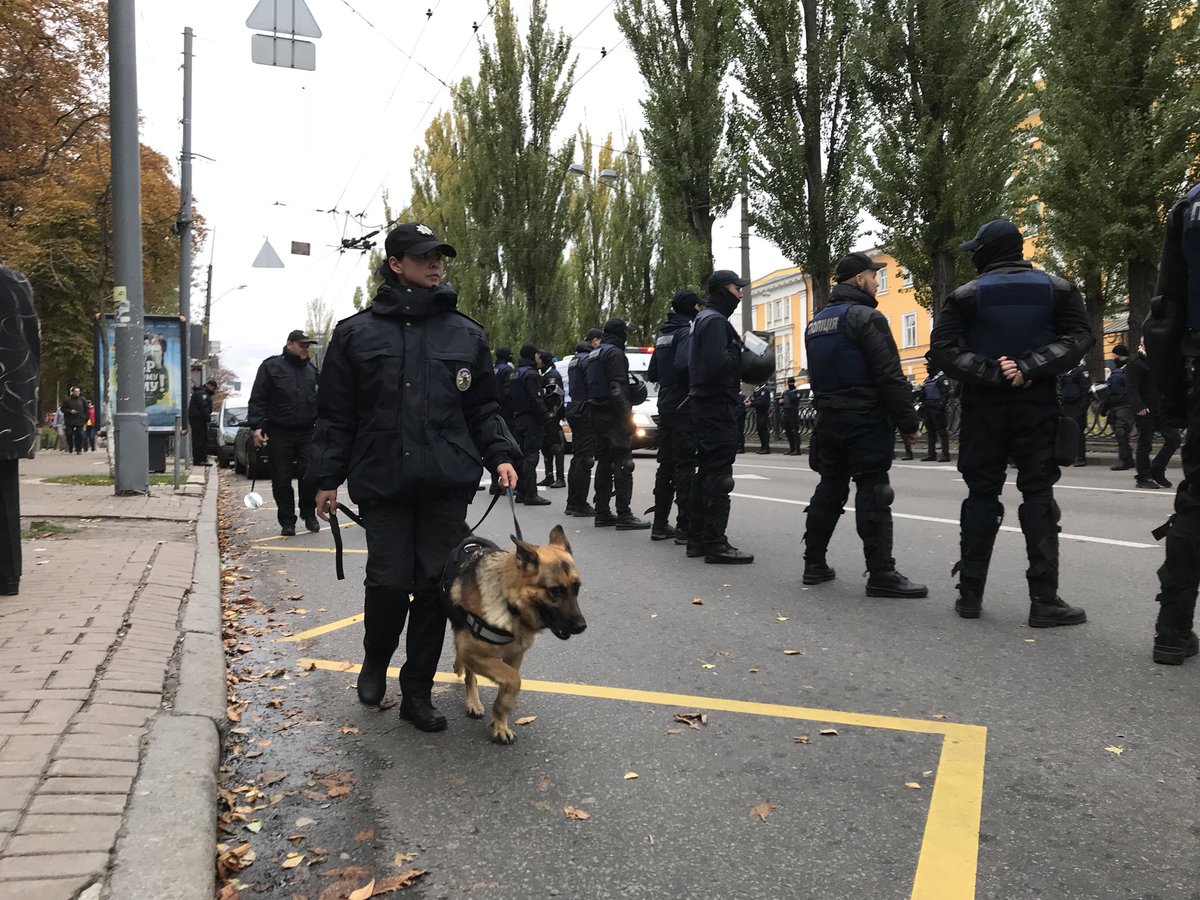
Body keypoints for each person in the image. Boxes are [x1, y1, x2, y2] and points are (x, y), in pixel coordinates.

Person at [308, 221, 519, 728]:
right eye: (422, 256)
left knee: (433, 589)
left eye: (439, 256)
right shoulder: (356, 333)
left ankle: (417, 691)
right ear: (395, 264)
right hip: (382, 480)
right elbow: (336, 415)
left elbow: (484, 408)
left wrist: (501, 455)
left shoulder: (466, 333)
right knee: (386, 581)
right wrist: (325, 478)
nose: (435, 264)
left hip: (446, 483)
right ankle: (376, 659)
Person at [930, 219, 1093, 626]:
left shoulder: (964, 296)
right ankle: (1044, 600)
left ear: (990, 251)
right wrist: (1028, 369)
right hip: (1036, 403)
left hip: (983, 407)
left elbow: (943, 351)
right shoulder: (1059, 289)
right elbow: (1079, 339)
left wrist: (992, 372)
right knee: (1038, 494)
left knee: (981, 494)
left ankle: (970, 595)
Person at [802, 252, 926, 597]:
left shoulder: (816, 323)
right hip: (864, 418)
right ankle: (881, 573)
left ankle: (814, 563)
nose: (876, 281)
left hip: (828, 419)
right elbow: (888, 374)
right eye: (874, 276)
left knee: (830, 489)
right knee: (874, 492)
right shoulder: (866, 317)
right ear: (859, 279)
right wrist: (908, 422)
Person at [1141, 180, 1200, 665]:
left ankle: (1172, 631)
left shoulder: (1190, 204)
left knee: (1197, 506)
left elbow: (1164, 317)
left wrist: (1177, 401)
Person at [688, 270, 755, 564]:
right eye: (735, 288)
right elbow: (718, 365)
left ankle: (698, 539)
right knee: (719, 477)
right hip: (716, 407)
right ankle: (715, 542)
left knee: (706, 473)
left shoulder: (704, 319)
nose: (740, 293)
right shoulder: (715, 321)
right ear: (721, 290)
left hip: (706, 406)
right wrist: (740, 352)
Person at [248, 329, 320, 536]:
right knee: (281, 479)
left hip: (307, 431)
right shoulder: (271, 367)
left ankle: (309, 514)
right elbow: (258, 398)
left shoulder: (312, 371)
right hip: (280, 431)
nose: (306, 348)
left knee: (310, 476)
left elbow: (321, 401)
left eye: (308, 345)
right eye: (302, 344)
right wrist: (257, 426)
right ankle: (287, 521)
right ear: (289, 344)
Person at [586, 317, 651, 530]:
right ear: (619, 333)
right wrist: (627, 420)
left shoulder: (594, 353)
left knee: (604, 463)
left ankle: (602, 512)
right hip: (612, 414)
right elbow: (616, 390)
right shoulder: (615, 353)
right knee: (624, 462)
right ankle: (624, 514)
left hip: (596, 413)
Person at [647, 289, 701, 543]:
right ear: (692, 307)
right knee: (686, 465)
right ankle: (685, 526)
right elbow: (684, 364)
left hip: (666, 404)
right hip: (684, 404)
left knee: (666, 464)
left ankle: (660, 524)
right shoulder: (685, 331)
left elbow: (653, 373)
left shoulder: (663, 335)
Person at [0, 266, 39, 596]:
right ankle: (8, 577)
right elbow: (32, 347)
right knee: (5, 493)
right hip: (7, 405)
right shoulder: (15, 281)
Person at [1125, 340, 1179, 489]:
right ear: (1143, 344)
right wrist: (1139, 406)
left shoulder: (1158, 360)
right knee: (1145, 443)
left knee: (1174, 439)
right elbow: (1131, 388)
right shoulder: (1135, 362)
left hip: (1161, 409)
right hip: (1145, 410)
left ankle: (1157, 469)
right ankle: (1143, 477)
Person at [564, 329, 602, 517]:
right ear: (595, 340)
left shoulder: (574, 359)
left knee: (578, 457)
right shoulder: (588, 359)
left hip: (574, 408)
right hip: (585, 409)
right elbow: (593, 383)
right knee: (586, 458)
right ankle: (580, 503)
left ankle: (572, 502)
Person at [511, 343, 551, 506]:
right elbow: (536, 399)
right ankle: (531, 494)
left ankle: (521, 492)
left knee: (520, 456)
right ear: (533, 355)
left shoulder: (514, 373)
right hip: (531, 419)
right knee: (531, 456)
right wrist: (546, 420)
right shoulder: (532, 374)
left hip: (517, 418)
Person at [537, 349, 566, 490]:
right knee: (545, 447)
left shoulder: (552, 375)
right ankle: (549, 476)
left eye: (539, 358)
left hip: (552, 417)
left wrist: (552, 414)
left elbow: (556, 397)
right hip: (545, 417)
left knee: (556, 446)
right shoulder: (543, 374)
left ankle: (560, 477)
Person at [1105, 344, 1134, 471]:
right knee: (1121, 433)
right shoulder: (1120, 369)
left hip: (1124, 405)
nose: (1112, 356)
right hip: (1118, 405)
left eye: (1114, 354)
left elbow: (1117, 390)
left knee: (1121, 431)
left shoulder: (1127, 369)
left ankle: (1124, 460)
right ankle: (1128, 459)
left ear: (1120, 355)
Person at [1057, 360, 1090, 466]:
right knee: (1066, 431)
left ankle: (1080, 457)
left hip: (1077, 405)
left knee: (1078, 431)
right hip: (1066, 405)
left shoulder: (1080, 370)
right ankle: (1067, 455)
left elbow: (1086, 390)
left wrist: (1083, 408)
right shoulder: (1064, 371)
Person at [917, 363, 952, 462]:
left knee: (941, 432)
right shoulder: (927, 379)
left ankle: (945, 455)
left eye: (929, 366)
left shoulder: (941, 378)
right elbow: (923, 393)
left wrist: (941, 406)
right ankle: (931, 454)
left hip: (937, 408)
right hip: (928, 408)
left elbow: (945, 394)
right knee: (930, 432)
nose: (927, 368)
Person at [188, 379, 217, 466]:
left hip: (198, 419)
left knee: (202, 439)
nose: (214, 391)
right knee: (200, 440)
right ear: (210, 386)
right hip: (199, 419)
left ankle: (201, 459)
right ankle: (199, 459)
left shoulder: (200, 392)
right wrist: (208, 418)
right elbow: (203, 407)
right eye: (214, 389)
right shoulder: (202, 394)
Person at [60, 387, 87, 454]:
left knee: (79, 434)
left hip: (80, 420)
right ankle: (70, 446)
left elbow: (86, 409)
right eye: (76, 391)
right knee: (69, 434)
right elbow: (62, 409)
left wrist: (85, 418)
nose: (77, 393)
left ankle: (79, 449)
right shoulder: (67, 400)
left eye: (78, 391)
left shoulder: (82, 400)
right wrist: (70, 411)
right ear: (73, 392)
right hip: (69, 420)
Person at [780, 377, 802, 455]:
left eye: (792, 382)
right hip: (786, 412)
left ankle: (797, 449)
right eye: (789, 382)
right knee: (788, 431)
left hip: (793, 412)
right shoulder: (785, 392)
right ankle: (791, 448)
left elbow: (795, 400)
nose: (790, 384)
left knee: (794, 431)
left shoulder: (796, 391)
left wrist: (788, 392)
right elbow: (781, 401)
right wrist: (780, 401)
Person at [749, 382, 772, 453]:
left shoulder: (765, 389)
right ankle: (763, 447)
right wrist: (751, 400)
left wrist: (751, 404)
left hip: (763, 412)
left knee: (763, 430)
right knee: (760, 430)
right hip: (759, 412)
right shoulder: (758, 389)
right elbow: (755, 399)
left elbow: (762, 401)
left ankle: (766, 448)